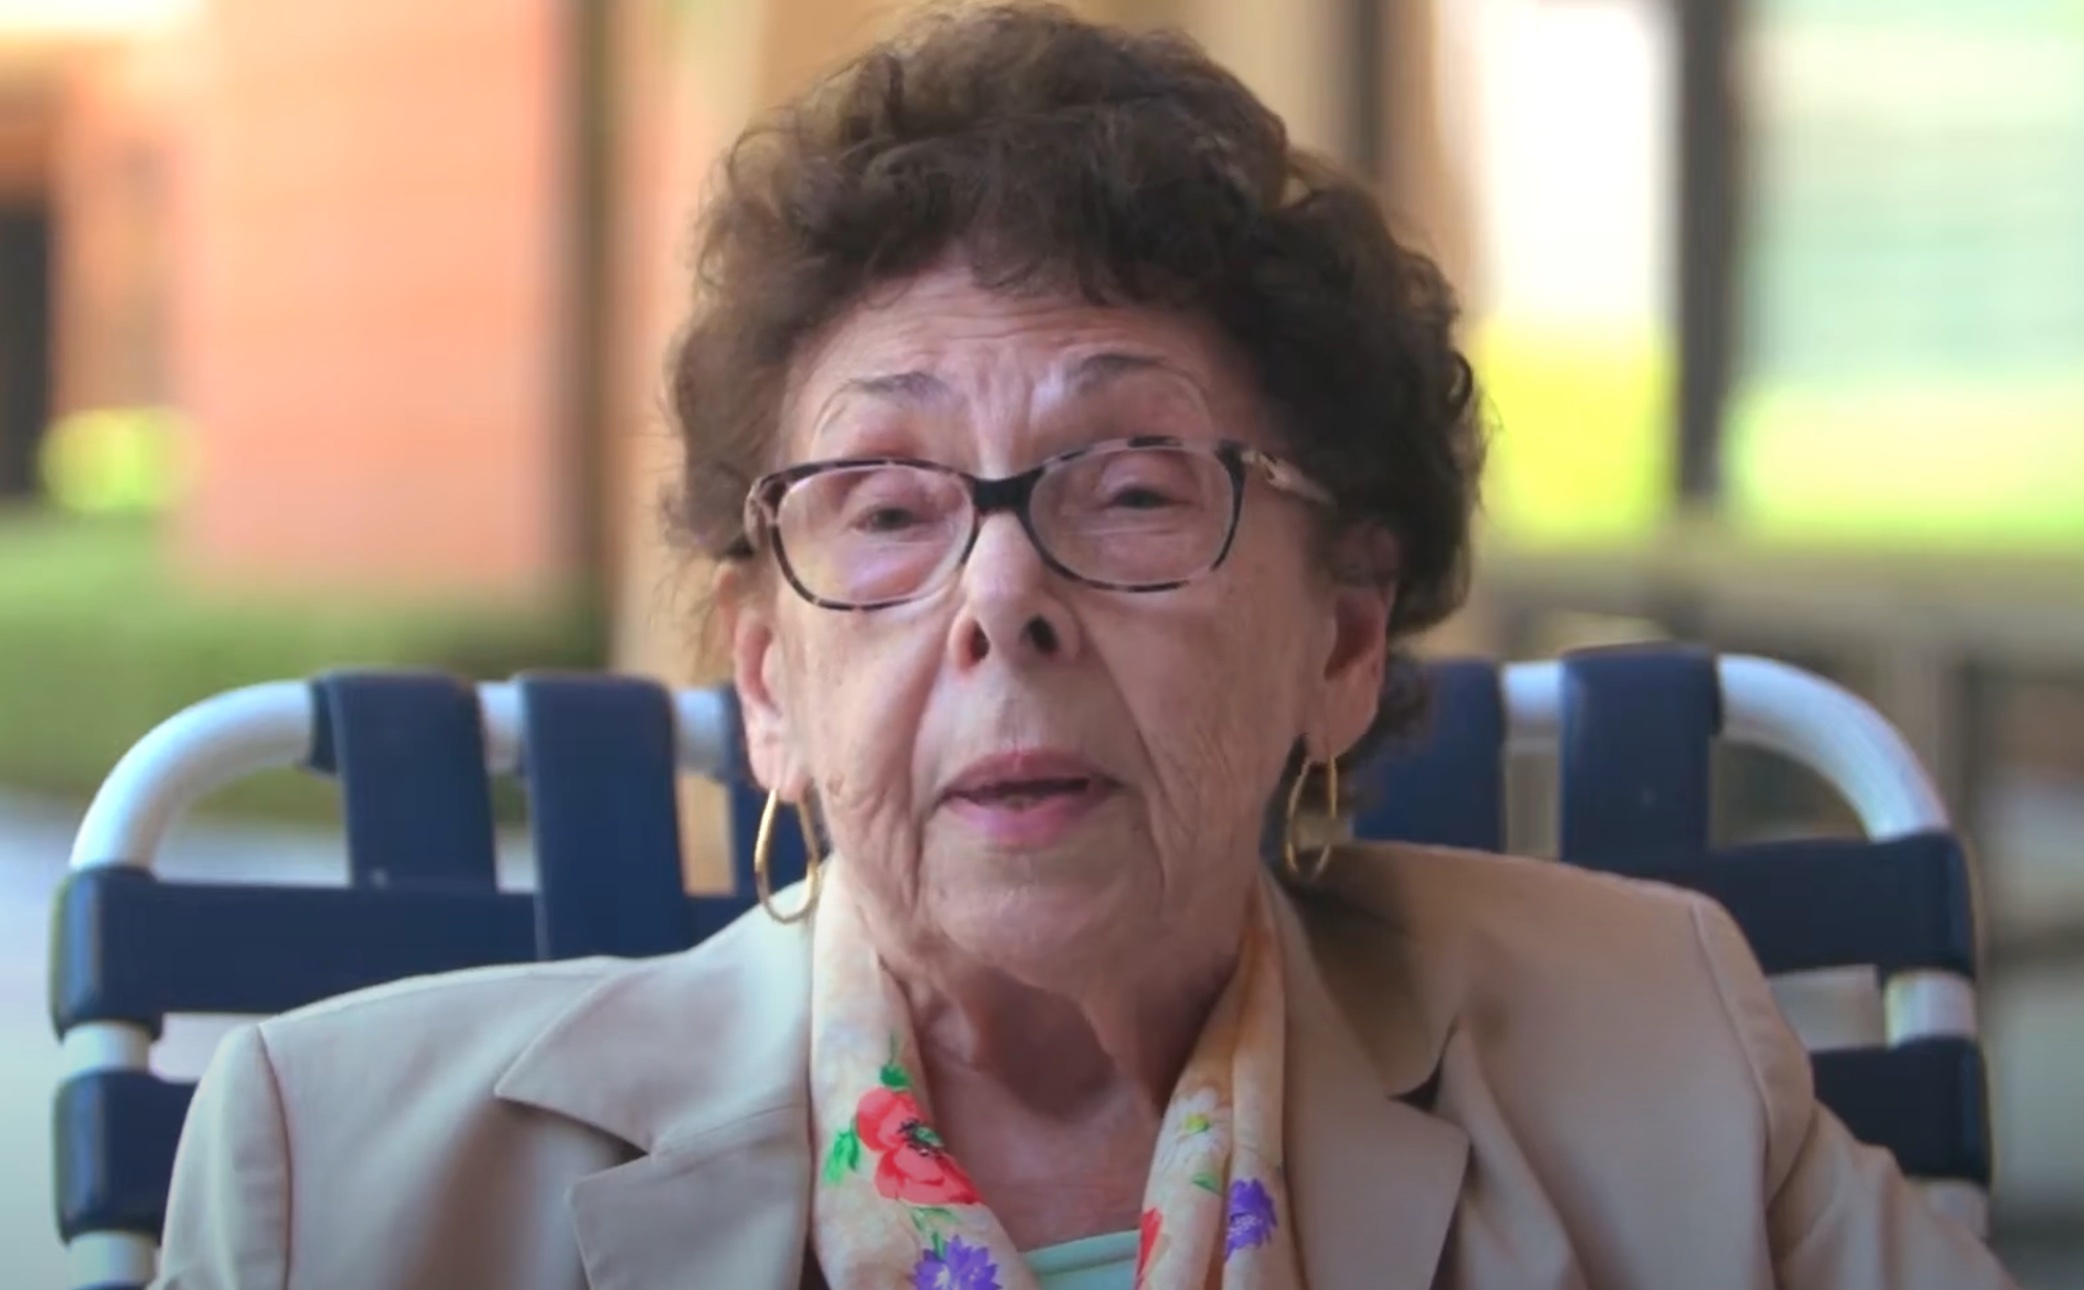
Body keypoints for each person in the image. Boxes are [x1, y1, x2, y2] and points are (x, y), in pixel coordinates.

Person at [155, 5, 2015, 1288]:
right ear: (766, 689)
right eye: (883, 507)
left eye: (1129, 489)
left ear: (1344, 638)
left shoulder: (1661, 1054)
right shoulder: (342, 1174)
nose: (996, 593)